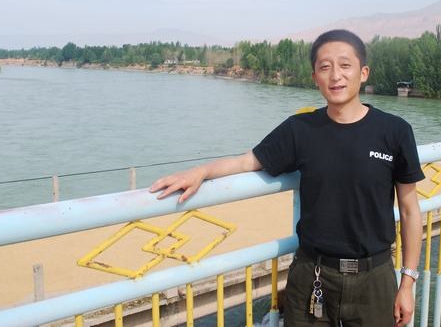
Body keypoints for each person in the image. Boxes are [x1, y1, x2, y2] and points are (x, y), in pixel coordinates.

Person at [150, 29, 424, 326]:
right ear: (315, 77)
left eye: (345, 65)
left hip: (375, 279)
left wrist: (407, 283)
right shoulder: (300, 130)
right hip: (313, 275)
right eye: (325, 67)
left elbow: (409, 210)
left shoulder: (394, 132)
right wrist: (201, 172)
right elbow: (248, 161)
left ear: (364, 72)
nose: (336, 76)